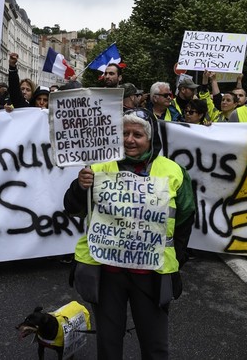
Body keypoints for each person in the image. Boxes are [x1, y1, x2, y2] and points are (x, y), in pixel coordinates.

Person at [63, 108, 194, 359]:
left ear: (150, 138)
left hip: (150, 274)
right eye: (124, 133)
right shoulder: (98, 166)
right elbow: (73, 208)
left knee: (155, 345)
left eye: (137, 134)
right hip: (106, 272)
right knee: (109, 344)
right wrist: (80, 187)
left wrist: (177, 257)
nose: (129, 140)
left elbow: (186, 218)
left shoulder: (173, 171)